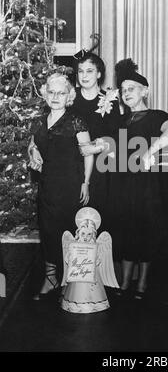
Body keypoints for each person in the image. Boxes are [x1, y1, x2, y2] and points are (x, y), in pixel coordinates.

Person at [106, 58, 168, 299]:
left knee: (146, 230)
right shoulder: (120, 120)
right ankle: (125, 283)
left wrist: (150, 151)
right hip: (123, 182)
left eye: (131, 89)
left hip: (147, 184)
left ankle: (142, 284)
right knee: (126, 229)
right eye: (123, 90)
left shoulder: (157, 115)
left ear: (144, 91)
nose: (126, 93)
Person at [29, 51, 122, 226]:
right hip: (70, 171)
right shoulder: (69, 96)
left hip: (99, 169)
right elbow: (44, 133)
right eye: (80, 71)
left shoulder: (110, 101)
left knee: (97, 222)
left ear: (99, 73)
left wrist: (93, 147)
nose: (84, 76)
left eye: (90, 71)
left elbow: (115, 139)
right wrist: (34, 150)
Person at [28, 73, 93, 300]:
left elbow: (87, 154)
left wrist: (86, 182)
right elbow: (34, 145)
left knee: (69, 231)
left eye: (61, 93)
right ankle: (51, 278)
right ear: (45, 94)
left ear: (69, 97)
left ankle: (72, 281)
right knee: (48, 231)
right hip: (47, 186)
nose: (56, 96)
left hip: (70, 186)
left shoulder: (76, 121)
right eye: (52, 92)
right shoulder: (39, 121)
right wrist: (33, 153)